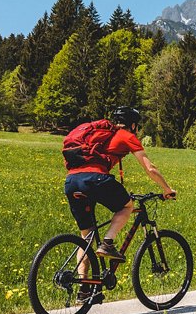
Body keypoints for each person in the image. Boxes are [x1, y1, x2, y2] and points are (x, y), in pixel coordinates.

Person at [64, 106, 177, 263]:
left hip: (71, 181)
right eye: (137, 126)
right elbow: (150, 168)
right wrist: (166, 189)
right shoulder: (126, 136)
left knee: (87, 238)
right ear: (132, 125)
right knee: (126, 207)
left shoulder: (98, 135)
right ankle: (108, 243)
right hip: (94, 179)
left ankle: (84, 286)